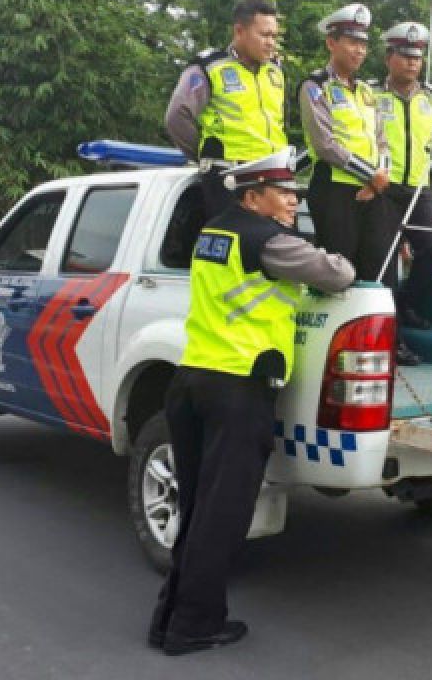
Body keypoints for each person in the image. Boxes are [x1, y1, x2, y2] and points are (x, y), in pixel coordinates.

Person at [148, 150, 355, 656]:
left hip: (192, 380)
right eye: (282, 192)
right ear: (252, 195)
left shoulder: (212, 233)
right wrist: (338, 257)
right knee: (223, 517)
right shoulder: (269, 241)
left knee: (198, 510)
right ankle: (192, 627)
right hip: (236, 390)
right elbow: (338, 274)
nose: (291, 200)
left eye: (293, 193)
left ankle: (170, 618)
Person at [165, 0, 287, 217]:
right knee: (236, 246)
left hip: (272, 176)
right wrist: (207, 156)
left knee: (279, 247)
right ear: (240, 31)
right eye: (264, 35)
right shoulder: (211, 66)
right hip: (231, 177)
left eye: (274, 36)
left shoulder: (275, 71)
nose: (271, 42)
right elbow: (177, 117)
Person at [298, 3, 392, 279]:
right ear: (331, 43)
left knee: (376, 266)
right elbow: (324, 144)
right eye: (352, 42)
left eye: (363, 44)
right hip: (334, 190)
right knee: (340, 272)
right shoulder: (316, 86)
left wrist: (379, 179)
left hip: (372, 191)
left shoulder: (365, 91)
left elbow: (382, 141)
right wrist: (371, 175)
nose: (359, 51)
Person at [375, 22, 432, 364]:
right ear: (389, 57)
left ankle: (408, 303)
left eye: (417, 57)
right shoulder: (372, 93)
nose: (412, 63)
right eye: (404, 56)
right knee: (386, 264)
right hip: (384, 188)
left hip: (419, 186)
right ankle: (395, 342)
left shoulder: (431, 97)